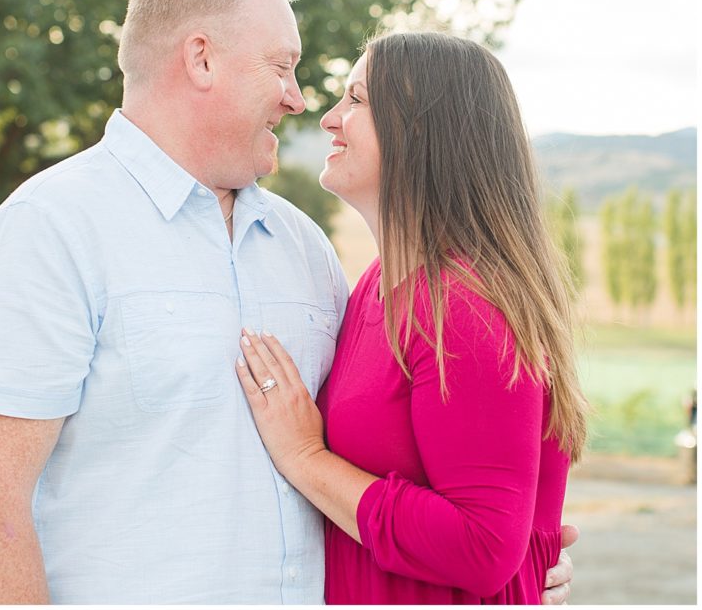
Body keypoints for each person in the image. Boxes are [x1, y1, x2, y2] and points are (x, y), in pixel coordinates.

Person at [0, 0, 576, 604]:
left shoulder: (307, 250)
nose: (300, 99)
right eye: (282, 66)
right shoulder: (50, 232)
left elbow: (410, 461)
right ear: (202, 59)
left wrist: (517, 560)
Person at [234, 32, 590, 604]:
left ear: (421, 132)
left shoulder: (464, 308)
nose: (329, 119)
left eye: (355, 99)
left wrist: (305, 456)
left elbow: (483, 546)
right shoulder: (379, 287)